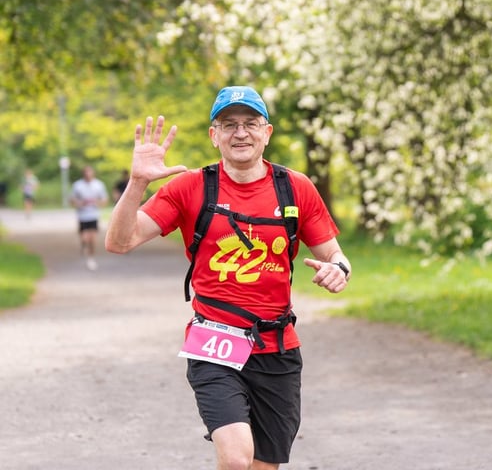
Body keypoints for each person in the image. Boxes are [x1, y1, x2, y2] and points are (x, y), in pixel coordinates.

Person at [104, 85, 350, 470]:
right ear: (213, 135)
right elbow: (120, 241)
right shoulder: (190, 187)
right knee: (236, 459)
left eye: (250, 123)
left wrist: (339, 269)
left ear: (267, 132)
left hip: (277, 347)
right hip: (214, 342)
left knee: (262, 465)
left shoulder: (295, 188)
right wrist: (137, 183)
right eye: (229, 124)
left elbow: (335, 255)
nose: (240, 133)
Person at [69, 165, 109, 270]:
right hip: (82, 216)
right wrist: (80, 203)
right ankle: (84, 245)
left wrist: (97, 202)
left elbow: (104, 200)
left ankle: (91, 258)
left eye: (89, 172)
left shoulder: (99, 185)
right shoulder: (77, 185)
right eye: (86, 173)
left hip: (94, 215)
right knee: (85, 238)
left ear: (93, 173)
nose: (88, 174)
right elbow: (72, 199)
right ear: (83, 174)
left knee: (93, 239)